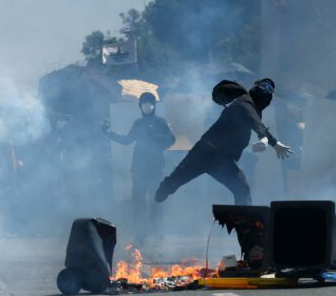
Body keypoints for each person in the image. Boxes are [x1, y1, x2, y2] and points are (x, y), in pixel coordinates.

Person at [154, 78, 292, 206]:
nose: (266, 89)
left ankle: (244, 224)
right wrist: (264, 139)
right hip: (203, 152)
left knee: (242, 188)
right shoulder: (244, 102)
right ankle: (166, 186)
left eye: (269, 88)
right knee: (173, 182)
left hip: (221, 160)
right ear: (255, 87)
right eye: (263, 85)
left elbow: (255, 122)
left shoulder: (252, 111)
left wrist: (274, 143)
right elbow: (256, 123)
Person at [103, 92, 175, 237]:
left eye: (149, 103)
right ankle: (140, 235)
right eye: (144, 104)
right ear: (140, 106)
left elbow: (171, 139)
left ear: (154, 105)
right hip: (139, 169)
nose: (147, 106)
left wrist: (159, 146)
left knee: (156, 201)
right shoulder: (138, 123)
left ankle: (157, 235)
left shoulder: (160, 122)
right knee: (138, 203)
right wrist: (109, 133)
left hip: (155, 168)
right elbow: (127, 140)